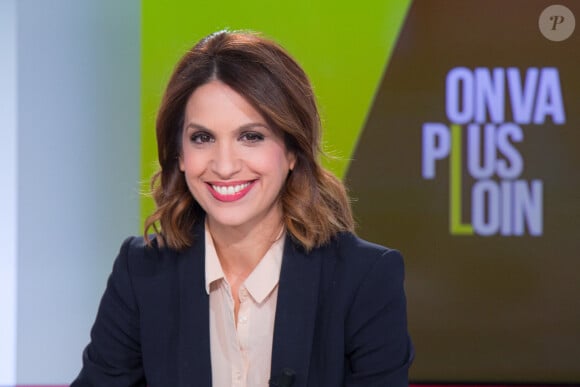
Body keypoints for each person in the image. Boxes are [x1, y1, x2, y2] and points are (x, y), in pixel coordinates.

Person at [71, 30, 413, 387]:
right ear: (179, 155)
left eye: (251, 136)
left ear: (293, 151)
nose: (224, 165)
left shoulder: (364, 279)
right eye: (202, 138)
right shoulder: (141, 273)